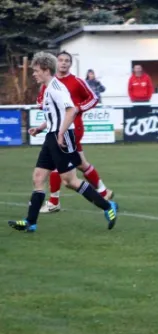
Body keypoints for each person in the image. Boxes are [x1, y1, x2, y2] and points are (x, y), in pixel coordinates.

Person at [8, 52, 118, 233]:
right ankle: (30, 222)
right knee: (38, 178)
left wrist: (60, 133)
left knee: (70, 181)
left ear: (45, 70)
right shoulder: (48, 87)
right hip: (51, 136)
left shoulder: (56, 89)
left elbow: (71, 110)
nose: (34, 74)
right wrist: (41, 127)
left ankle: (108, 207)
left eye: (36, 71)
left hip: (62, 137)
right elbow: (55, 114)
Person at [36, 51, 113, 214]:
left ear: (71, 64)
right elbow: (40, 102)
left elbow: (93, 98)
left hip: (72, 127)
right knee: (80, 163)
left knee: (60, 164)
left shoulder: (76, 82)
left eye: (67, 61)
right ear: (55, 63)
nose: (63, 63)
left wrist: (78, 108)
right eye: (61, 60)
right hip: (57, 127)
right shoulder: (49, 83)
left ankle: (54, 201)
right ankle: (104, 192)